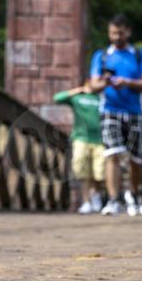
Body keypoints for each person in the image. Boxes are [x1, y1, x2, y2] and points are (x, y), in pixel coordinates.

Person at [90, 13, 142, 217]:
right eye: (112, 33)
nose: (116, 37)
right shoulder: (101, 56)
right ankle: (113, 199)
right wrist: (106, 82)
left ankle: (133, 195)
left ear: (128, 32)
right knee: (112, 155)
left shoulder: (139, 55)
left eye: (120, 33)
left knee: (136, 159)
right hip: (110, 111)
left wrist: (127, 82)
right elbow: (93, 85)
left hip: (134, 112)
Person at [53, 82, 105, 214]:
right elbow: (57, 98)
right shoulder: (78, 98)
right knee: (81, 170)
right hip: (81, 138)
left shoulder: (102, 98)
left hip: (100, 139)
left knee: (100, 172)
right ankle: (86, 202)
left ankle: (96, 195)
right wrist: (79, 90)